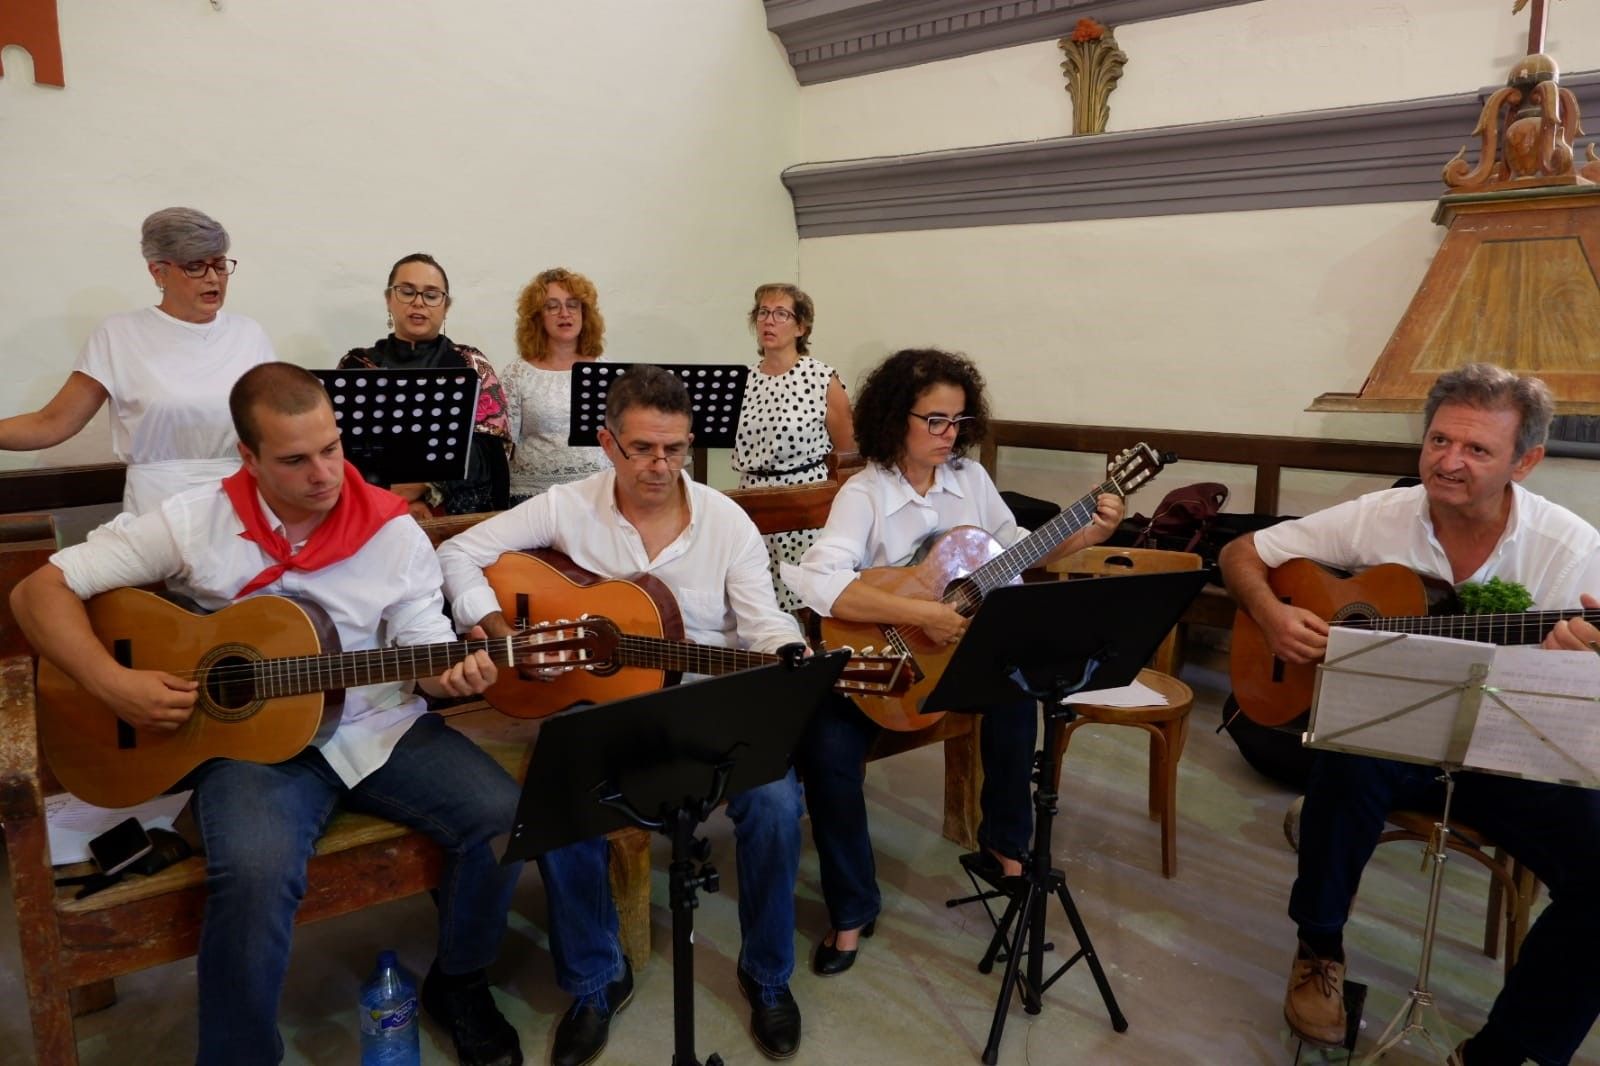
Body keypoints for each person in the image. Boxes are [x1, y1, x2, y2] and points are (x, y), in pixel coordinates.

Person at [9, 363, 524, 1066]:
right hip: (251, 748)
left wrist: (451, 672)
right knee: (253, 873)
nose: (324, 473)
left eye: (331, 448)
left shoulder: (391, 529)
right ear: (248, 457)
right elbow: (38, 593)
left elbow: (423, 642)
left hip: (377, 726)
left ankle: (460, 981)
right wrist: (112, 683)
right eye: (294, 459)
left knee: (500, 816)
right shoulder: (194, 520)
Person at [1219, 363, 1600, 1065]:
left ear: (1525, 462)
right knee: (1345, 758)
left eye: (1477, 449)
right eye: (1439, 440)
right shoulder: (1381, 513)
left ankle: (1503, 1052)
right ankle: (1319, 948)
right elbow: (1240, 551)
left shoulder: (1572, 550)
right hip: (1389, 739)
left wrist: (1577, 658)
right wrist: (1271, 614)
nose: (1449, 462)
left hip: (1502, 753)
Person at [437, 365, 810, 1063]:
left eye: (674, 449)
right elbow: (457, 551)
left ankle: (767, 975)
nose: (660, 465)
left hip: (704, 706)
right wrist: (503, 634)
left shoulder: (726, 521)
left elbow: (764, 622)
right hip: (603, 714)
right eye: (642, 448)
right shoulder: (565, 505)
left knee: (778, 805)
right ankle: (596, 980)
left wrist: (788, 653)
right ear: (608, 443)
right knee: (557, 805)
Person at [783, 348, 1124, 976]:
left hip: (952, 661)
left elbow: (1016, 551)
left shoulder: (969, 480)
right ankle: (852, 908)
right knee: (828, 751)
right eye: (935, 420)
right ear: (896, 419)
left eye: (959, 421)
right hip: (880, 662)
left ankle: (1004, 847)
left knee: (1017, 696)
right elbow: (821, 584)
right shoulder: (865, 492)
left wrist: (1086, 534)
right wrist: (918, 612)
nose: (949, 434)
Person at [0, 207, 274, 515]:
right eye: (195, 266)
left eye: (220, 265)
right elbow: (51, 423)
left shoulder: (249, 334)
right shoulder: (119, 334)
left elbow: (275, 426)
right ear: (158, 271)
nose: (213, 278)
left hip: (241, 498)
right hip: (159, 503)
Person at [340, 252, 513, 518]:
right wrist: (394, 498)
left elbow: (491, 452)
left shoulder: (470, 364)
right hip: (375, 511)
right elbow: (338, 451)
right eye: (407, 292)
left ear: (446, 306)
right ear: (388, 299)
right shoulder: (357, 366)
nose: (418, 302)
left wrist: (426, 487)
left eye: (431, 295)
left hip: (454, 518)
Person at [731, 283, 855, 611]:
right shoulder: (743, 380)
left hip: (805, 502)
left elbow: (847, 453)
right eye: (763, 313)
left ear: (801, 327)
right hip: (752, 500)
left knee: (807, 601)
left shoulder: (821, 378)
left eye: (780, 314)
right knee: (757, 600)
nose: (768, 321)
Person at [500, 267, 610, 504]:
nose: (564, 313)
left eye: (573, 305)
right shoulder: (517, 373)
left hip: (597, 493)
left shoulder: (605, 370)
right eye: (552, 306)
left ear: (584, 313)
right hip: (533, 497)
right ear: (537, 317)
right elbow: (504, 446)